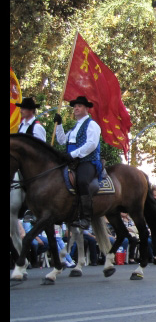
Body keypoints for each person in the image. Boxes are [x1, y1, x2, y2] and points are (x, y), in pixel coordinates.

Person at [53, 96, 102, 230]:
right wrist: (59, 125)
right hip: (72, 161)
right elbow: (62, 141)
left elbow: (91, 144)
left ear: (86, 109)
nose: (76, 108)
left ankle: (86, 218)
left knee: (82, 181)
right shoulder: (75, 128)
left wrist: (73, 154)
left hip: (87, 161)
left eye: (79, 106)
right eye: (75, 106)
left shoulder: (92, 125)